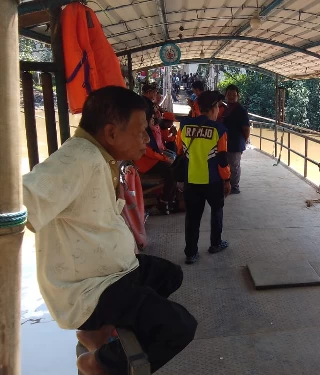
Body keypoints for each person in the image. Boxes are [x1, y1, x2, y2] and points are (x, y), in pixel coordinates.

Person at [22, 86, 197, 375]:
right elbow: (20, 203)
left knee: (169, 275)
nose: (146, 138)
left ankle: (99, 333)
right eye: (141, 131)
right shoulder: (77, 159)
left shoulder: (99, 155)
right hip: (91, 288)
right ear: (112, 133)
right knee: (179, 326)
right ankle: (99, 364)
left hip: (112, 272)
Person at [178, 91, 231, 264]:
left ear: (198, 108)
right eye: (218, 108)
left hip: (191, 180)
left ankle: (191, 253)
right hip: (213, 181)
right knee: (216, 212)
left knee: (192, 217)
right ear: (215, 108)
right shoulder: (219, 130)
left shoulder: (184, 126)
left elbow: (180, 151)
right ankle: (215, 244)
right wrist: (228, 180)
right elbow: (222, 159)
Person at [134, 109, 177, 213]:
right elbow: (149, 152)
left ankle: (170, 199)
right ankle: (164, 201)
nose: (155, 120)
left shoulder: (152, 130)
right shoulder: (142, 132)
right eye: (152, 118)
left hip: (152, 160)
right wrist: (165, 158)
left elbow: (159, 147)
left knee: (174, 168)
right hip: (145, 163)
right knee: (171, 172)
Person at [222, 84, 250, 194]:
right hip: (225, 142)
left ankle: (234, 186)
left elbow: (246, 129)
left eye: (234, 94)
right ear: (225, 95)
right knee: (226, 163)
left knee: (234, 165)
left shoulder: (241, 110)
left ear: (238, 96)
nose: (231, 96)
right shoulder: (226, 108)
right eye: (229, 94)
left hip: (236, 142)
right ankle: (227, 184)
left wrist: (244, 140)